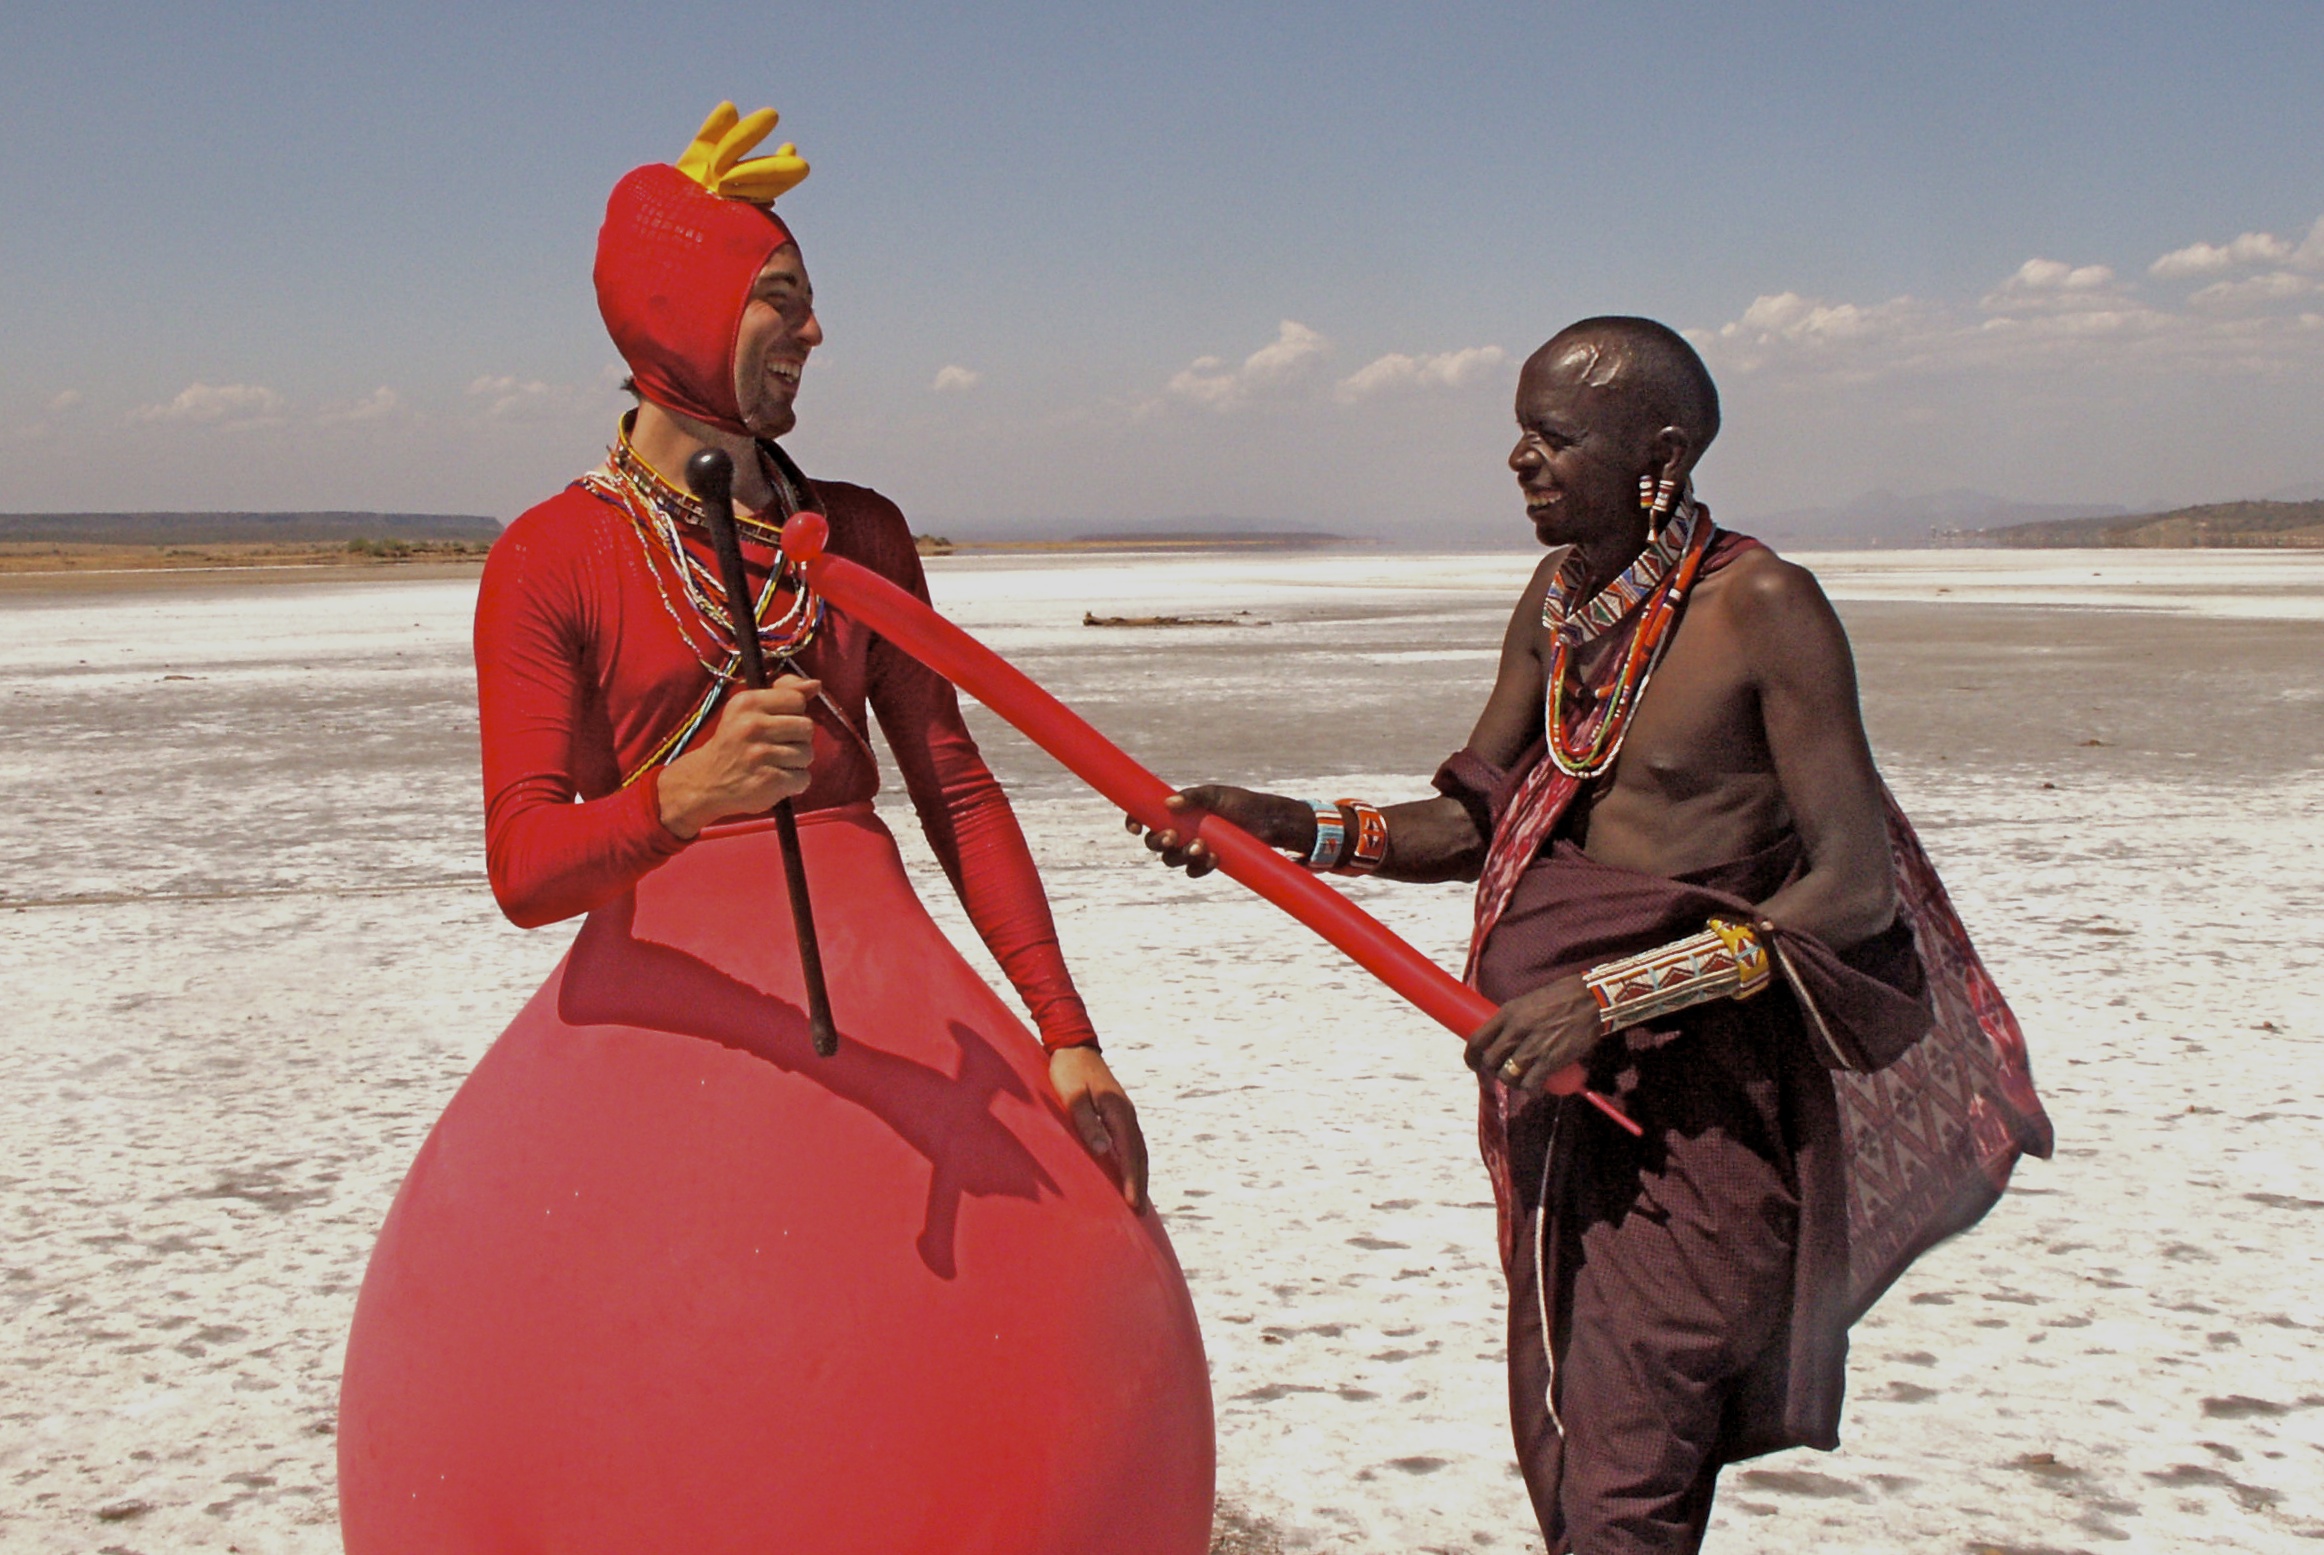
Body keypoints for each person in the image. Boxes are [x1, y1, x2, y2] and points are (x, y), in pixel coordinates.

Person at [336, 105, 1214, 1555]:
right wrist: (681, 800)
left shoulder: (857, 532)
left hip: (895, 998)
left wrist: (1059, 1027)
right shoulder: (554, 553)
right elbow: (523, 865)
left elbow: (955, 780)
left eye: (809, 303)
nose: (815, 334)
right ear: (677, 308)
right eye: (782, 303)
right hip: (671, 1016)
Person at [1135, 318, 2049, 1554]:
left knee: (1629, 1471)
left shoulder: (1762, 609)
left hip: (1704, 1114)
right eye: (1517, 431)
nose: (1519, 460)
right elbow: (1477, 817)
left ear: (1657, 454)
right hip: (1563, 1098)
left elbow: (1851, 890)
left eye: (1552, 437)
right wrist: (1285, 824)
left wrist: (1613, 994)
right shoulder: (1559, 604)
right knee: (1575, 1437)